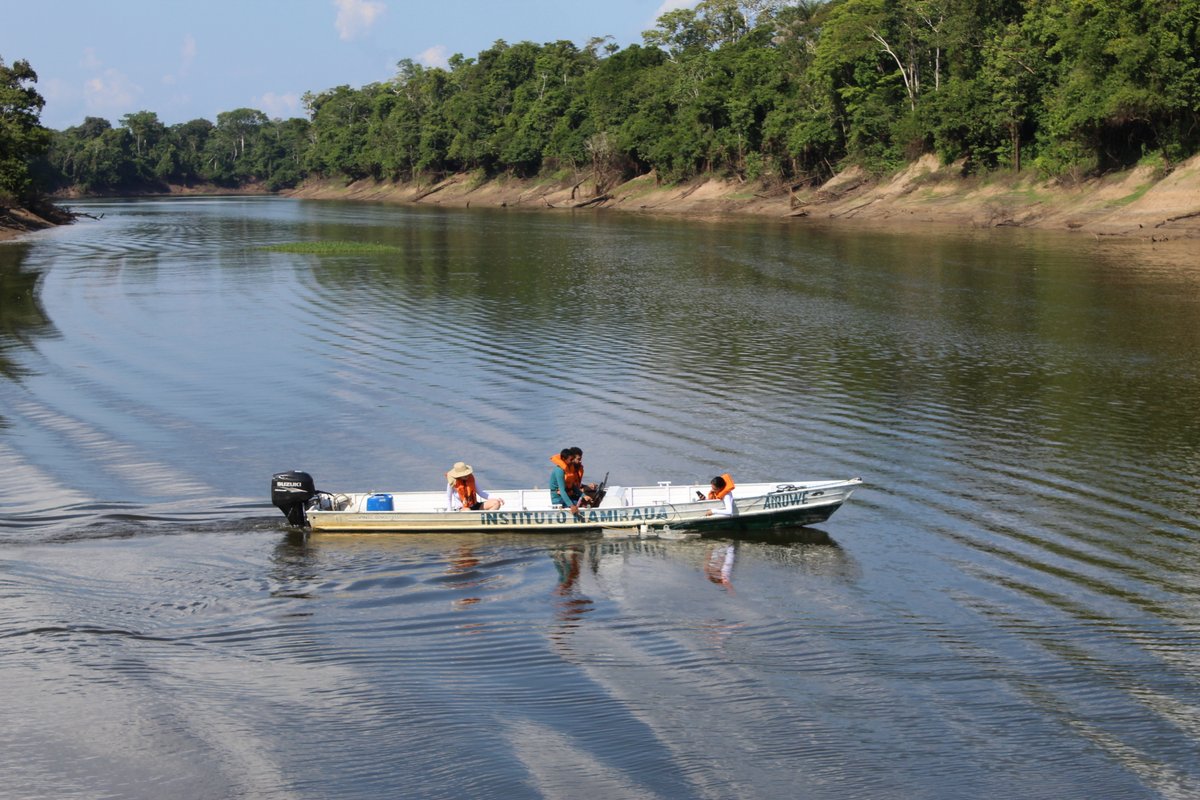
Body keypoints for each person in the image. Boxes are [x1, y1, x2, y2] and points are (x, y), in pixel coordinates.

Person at [549, 448, 583, 513]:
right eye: (571, 459)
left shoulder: (569, 469)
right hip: (558, 499)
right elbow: (562, 491)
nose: (572, 461)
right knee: (580, 504)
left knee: (582, 501)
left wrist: (584, 496)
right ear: (564, 459)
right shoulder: (559, 471)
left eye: (573, 459)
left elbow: (573, 486)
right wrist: (571, 506)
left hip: (565, 496)